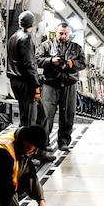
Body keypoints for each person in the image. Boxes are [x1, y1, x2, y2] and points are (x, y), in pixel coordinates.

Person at [36, 21, 85, 152]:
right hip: (50, 84)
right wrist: (51, 61)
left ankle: (63, 142)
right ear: (55, 32)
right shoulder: (46, 46)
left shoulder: (76, 48)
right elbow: (37, 59)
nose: (63, 36)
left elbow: (83, 64)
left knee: (68, 115)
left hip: (69, 84)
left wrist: (70, 64)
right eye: (60, 33)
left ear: (69, 34)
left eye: (65, 34)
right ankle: (44, 143)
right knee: (46, 115)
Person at [6, 10, 41, 129]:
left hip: (14, 81)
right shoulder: (25, 38)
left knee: (23, 114)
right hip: (25, 82)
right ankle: (26, 145)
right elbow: (29, 64)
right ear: (32, 24)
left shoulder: (13, 37)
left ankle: (22, 141)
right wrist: (36, 85)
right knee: (29, 118)